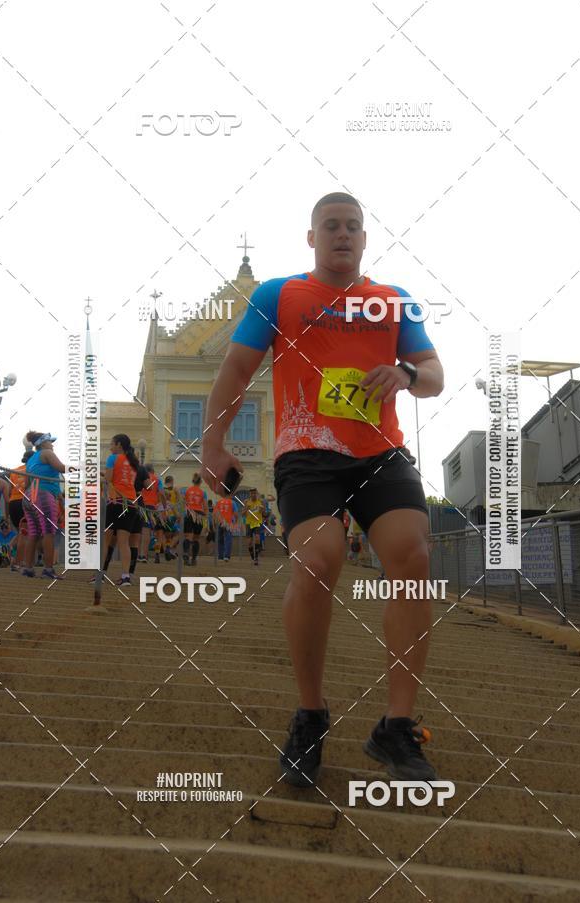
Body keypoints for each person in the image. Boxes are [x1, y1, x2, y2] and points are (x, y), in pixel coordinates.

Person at [201, 192, 444, 787]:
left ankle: (396, 725)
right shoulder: (279, 295)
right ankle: (310, 714)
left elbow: (435, 377)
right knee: (318, 558)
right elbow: (235, 371)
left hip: (380, 453)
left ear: (365, 238)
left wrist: (406, 374)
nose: (342, 235)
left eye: (353, 227)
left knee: (412, 554)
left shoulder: (394, 302)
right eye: (330, 226)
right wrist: (212, 444)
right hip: (307, 453)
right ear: (311, 237)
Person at [21, 432, 65, 580]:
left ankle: (27, 568)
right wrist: (85, 467)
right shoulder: (47, 453)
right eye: (50, 442)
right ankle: (48, 569)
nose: (52, 445)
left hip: (29, 495)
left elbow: (27, 483)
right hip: (43, 495)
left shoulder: (31, 459)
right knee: (48, 532)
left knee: (33, 532)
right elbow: (62, 468)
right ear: (43, 443)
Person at [102, 434, 143, 587]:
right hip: (131, 504)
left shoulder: (113, 458)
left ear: (119, 445)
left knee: (106, 542)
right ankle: (125, 576)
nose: (110, 447)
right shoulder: (133, 461)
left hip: (115, 502)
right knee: (124, 542)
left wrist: (103, 475)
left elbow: (108, 479)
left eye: (112, 444)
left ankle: (100, 574)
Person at [138, 465, 165, 564]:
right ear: (153, 471)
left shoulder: (140, 477)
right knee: (147, 531)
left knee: (138, 531)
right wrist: (164, 505)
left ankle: (137, 554)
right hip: (151, 507)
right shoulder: (157, 480)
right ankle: (143, 555)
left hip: (139, 506)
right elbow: (162, 494)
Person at [183, 473, 207, 566]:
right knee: (196, 538)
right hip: (199, 515)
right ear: (200, 482)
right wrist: (205, 520)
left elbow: (184, 504)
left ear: (193, 481)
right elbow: (205, 507)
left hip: (189, 513)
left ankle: (185, 552)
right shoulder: (203, 492)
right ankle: (193, 559)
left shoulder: (187, 490)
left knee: (188, 536)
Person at [242, 488, 264, 565]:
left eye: (255, 493)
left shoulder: (260, 502)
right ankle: (253, 556)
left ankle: (256, 558)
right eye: (252, 493)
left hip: (257, 522)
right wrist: (246, 509)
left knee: (257, 538)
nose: (253, 495)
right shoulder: (247, 502)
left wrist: (262, 510)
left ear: (257, 494)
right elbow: (242, 514)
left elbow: (263, 513)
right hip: (249, 523)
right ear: (250, 494)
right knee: (249, 543)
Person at [214, 494, 236, 561]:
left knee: (220, 540)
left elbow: (215, 513)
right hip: (228, 523)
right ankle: (226, 556)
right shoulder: (232, 502)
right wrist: (236, 522)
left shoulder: (218, 502)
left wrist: (214, 523)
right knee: (228, 539)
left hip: (220, 522)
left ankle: (220, 556)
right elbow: (236, 514)